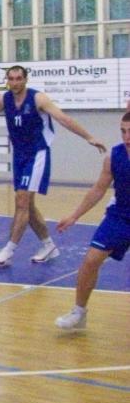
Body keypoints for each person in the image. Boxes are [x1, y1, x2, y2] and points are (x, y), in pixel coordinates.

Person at [0, 65, 106, 266]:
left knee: (21, 201)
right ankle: (49, 246)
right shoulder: (5, 99)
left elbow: (63, 119)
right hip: (19, 156)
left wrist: (89, 137)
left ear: (25, 79)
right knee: (27, 205)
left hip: (37, 154)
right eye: (11, 79)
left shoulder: (38, 99)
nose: (15, 82)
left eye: (18, 78)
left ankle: (8, 250)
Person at [53, 111, 130, 330]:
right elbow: (98, 189)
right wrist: (74, 216)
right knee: (90, 260)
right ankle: (79, 313)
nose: (127, 137)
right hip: (120, 216)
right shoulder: (114, 156)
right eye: (123, 132)